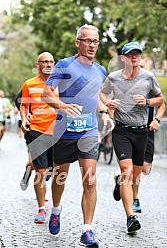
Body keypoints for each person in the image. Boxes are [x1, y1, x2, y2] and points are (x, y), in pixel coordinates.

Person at [42, 24, 114, 247]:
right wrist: (62, 105)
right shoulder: (64, 65)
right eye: (87, 41)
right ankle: (55, 209)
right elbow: (46, 94)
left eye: (95, 41)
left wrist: (103, 113)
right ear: (78, 42)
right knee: (60, 177)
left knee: (90, 180)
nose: (92, 45)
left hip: (89, 132)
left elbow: (95, 98)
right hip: (64, 131)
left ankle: (87, 230)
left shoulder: (101, 70)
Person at [99, 41, 164, 235]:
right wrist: (109, 102)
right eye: (130, 54)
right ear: (124, 58)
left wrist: (147, 101)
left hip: (141, 131)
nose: (134, 57)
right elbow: (102, 94)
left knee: (136, 174)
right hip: (121, 131)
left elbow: (160, 99)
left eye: (137, 54)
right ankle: (130, 218)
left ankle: (120, 182)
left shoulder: (148, 77)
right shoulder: (114, 78)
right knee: (127, 171)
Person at [20, 52, 57, 223]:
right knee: (41, 172)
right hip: (36, 130)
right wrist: (23, 119)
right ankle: (42, 209)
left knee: (51, 170)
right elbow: (24, 106)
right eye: (45, 62)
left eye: (51, 62)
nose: (49, 65)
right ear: (38, 65)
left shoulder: (60, 85)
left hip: (57, 133)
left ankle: (30, 168)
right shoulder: (29, 84)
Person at [132, 59, 166, 213]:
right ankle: (135, 198)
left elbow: (162, 105)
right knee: (134, 167)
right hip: (130, 131)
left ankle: (120, 179)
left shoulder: (152, 88)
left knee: (145, 169)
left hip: (147, 132)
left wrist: (156, 120)